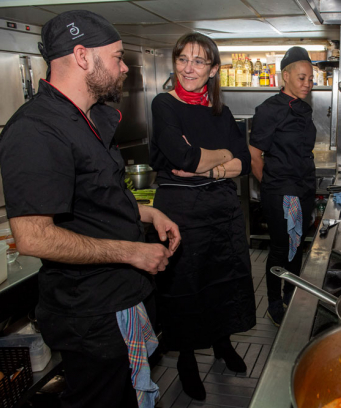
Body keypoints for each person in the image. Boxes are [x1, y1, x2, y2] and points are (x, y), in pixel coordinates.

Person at [0, 10, 181, 408]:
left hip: (123, 296)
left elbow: (99, 197)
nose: (124, 68)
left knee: (131, 393)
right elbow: (32, 237)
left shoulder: (90, 118)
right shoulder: (35, 129)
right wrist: (132, 251)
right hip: (92, 314)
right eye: (117, 57)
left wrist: (145, 214)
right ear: (83, 56)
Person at [149, 32, 255, 401]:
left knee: (224, 280)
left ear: (213, 70)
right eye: (183, 59)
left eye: (198, 62)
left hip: (222, 212)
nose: (189, 68)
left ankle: (222, 344)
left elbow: (244, 162)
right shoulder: (164, 104)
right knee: (186, 287)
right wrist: (222, 155)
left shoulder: (220, 112)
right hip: (181, 213)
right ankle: (187, 361)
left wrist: (212, 166)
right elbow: (184, 158)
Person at [249, 47, 316, 327]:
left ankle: (291, 294)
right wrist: (273, 188)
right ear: (285, 75)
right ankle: (274, 303)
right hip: (283, 193)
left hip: (304, 189)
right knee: (281, 247)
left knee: (297, 246)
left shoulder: (304, 108)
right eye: (302, 78)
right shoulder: (269, 110)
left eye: (311, 79)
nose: (307, 84)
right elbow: (254, 155)